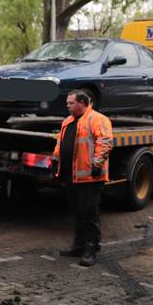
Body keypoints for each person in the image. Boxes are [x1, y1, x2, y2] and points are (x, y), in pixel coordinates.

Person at [54, 89, 113, 266]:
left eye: (71, 103)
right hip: (72, 177)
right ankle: (78, 245)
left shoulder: (97, 119)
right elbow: (60, 143)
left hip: (90, 178)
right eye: (67, 103)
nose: (68, 106)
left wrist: (96, 165)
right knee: (77, 212)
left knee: (89, 213)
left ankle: (91, 248)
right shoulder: (68, 121)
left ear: (82, 103)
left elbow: (105, 142)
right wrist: (55, 160)